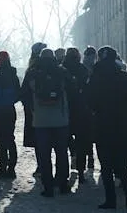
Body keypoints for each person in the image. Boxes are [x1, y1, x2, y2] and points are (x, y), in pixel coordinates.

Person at [89, 45, 127, 210]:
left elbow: (90, 101)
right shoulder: (125, 77)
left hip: (103, 124)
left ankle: (110, 199)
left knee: (106, 164)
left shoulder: (96, 77)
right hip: (123, 125)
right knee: (122, 165)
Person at [26, 47, 75, 197]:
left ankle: (47, 187)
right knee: (61, 153)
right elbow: (73, 90)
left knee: (44, 154)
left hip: (41, 121)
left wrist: (33, 110)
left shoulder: (33, 73)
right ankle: (63, 184)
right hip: (60, 120)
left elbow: (23, 94)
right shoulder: (62, 71)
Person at [0, 51, 21, 179]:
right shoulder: (14, 76)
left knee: (0, 141)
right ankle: (11, 169)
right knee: (10, 139)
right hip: (10, 110)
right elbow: (18, 94)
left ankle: (3, 168)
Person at [62, 47, 92, 183]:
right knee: (82, 141)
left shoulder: (62, 69)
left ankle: (72, 152)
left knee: (66, 136)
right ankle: (81, 172)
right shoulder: (83, 69)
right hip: (82, 109)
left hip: (65, 108)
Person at [21, 42, 47, 176]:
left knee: (39, 140)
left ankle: (42, 167)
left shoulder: (32, 70)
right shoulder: (57, 68)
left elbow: (24, 92)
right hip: (57, 112)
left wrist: (29, 107)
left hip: (35, 111)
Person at [82, 46, 98, 171]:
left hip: (83, 104)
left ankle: (88, 156)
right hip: (96, 105)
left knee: (84, 133)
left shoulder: (81, 67)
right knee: (95, 132)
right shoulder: (97, 67)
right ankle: (91, 157)